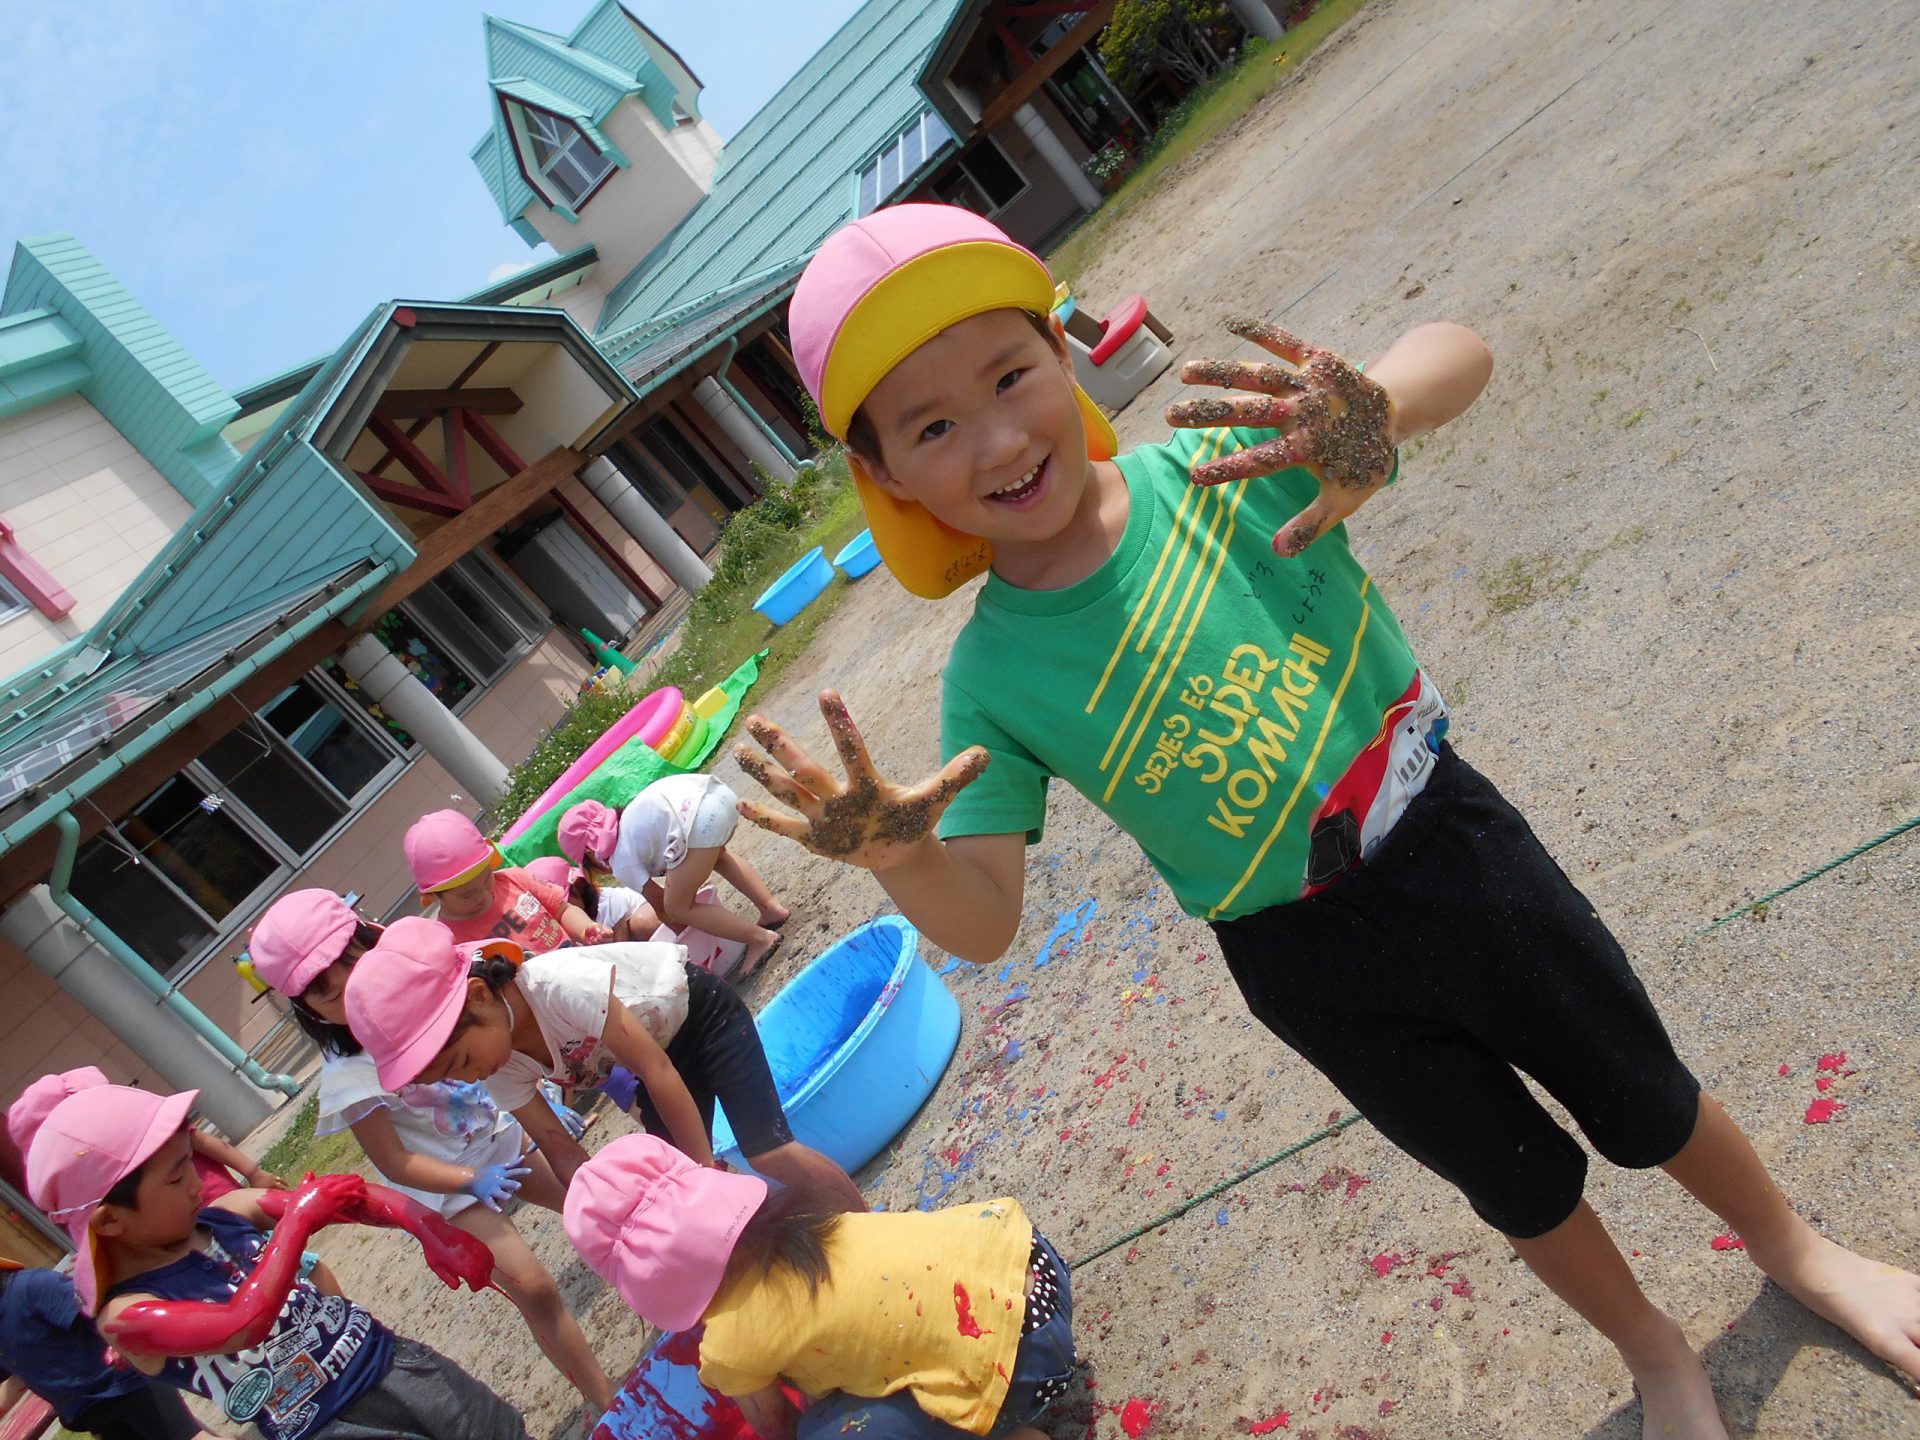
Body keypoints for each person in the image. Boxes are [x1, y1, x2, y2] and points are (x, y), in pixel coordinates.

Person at [729, 203, 1920, 1440]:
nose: (997, 437)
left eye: (1009, 375)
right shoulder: (990, 678)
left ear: (1062, 352)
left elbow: (1461, 351)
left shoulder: (1220, 468)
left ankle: (1796, 1249)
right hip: (1302, 961)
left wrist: (1379, 409)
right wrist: (900, 856)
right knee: (1513, 1182)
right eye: (931, 427)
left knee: (1640, 1085)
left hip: (1450, 846)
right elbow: (981, 923)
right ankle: (1654, 1350)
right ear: (886, 476)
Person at [247, 889, 615, 1418]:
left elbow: (491, 1054)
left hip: (500, 1137)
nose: (355, 991)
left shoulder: (425, 991)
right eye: (331, 995)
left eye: (356, 965)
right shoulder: (351, 1076)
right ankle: (604, 1398)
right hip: (449, 1193)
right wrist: (470, 1179)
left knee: (600, 1204)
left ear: (372, 939)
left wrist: (543, 1107)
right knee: (533, 1286)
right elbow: (395, 1162)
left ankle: (670, 1287)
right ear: (308, 1011)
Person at [24, 1084, 523, 1440]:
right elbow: (240, 1324)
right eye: (176, 1177)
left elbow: (350, 1198)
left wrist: (427, 1227)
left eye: (192, 1163)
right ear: (110, 1221)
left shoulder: (227, 1214)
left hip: (392, 1358)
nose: (197, 1184)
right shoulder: (128, 1315)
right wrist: (297, 1220)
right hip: (327, 1427)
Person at [565, 1133, 1073, 1440]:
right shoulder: (809, 1221)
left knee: (820, 1432)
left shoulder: (729, 1346)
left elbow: (776, 1427)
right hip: (1033, 1269)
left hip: (1020, 1366)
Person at [344, 916, 864, 1212]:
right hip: (657, 1060)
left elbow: (657, 1071)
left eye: (459, 1061)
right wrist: (603, 1209)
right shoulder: (497, 1063)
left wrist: (704, 1167)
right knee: (676, 1193)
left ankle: (865, 1223)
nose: (467, 1079)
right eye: (449, 1078)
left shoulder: (559, 987)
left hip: (700, 1018)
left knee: (767, 1151)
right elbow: (556, 1144)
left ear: (479, 996)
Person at [557, 773, 789, 976]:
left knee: (678, 906)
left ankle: (760, 939)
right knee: (717, 856)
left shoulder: (621, 860)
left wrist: (689, 942)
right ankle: (771, 910)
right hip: (719, 796)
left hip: (699, 823)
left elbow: (664, 909)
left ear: (592, 852)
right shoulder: (631, 820)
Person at [0, 1257, 216, 1440]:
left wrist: (122, 1342)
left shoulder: (30, 1288)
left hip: (125, 1384)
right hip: (91, 1410)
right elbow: (19, 1375)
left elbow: (96, 1311)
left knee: (186, 1436)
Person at [9, 1069, 287, 1206]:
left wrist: (254, 1173)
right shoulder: (92, 1180)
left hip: (224, 1199)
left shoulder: (151, 1126)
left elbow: (204, 1142)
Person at [405, 809, 613, 952]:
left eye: (486, 878)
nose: (483, 894)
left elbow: (563, 910)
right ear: (434, 896)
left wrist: (585, 929)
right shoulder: (452, 941)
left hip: (576, 963)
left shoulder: (514, 879)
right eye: (467, 895)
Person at [522, 855, 659, 943]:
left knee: (640, 923)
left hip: (644, 914)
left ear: (579, 887)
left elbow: (621, 946)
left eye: (561, 904)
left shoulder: (606, 903)